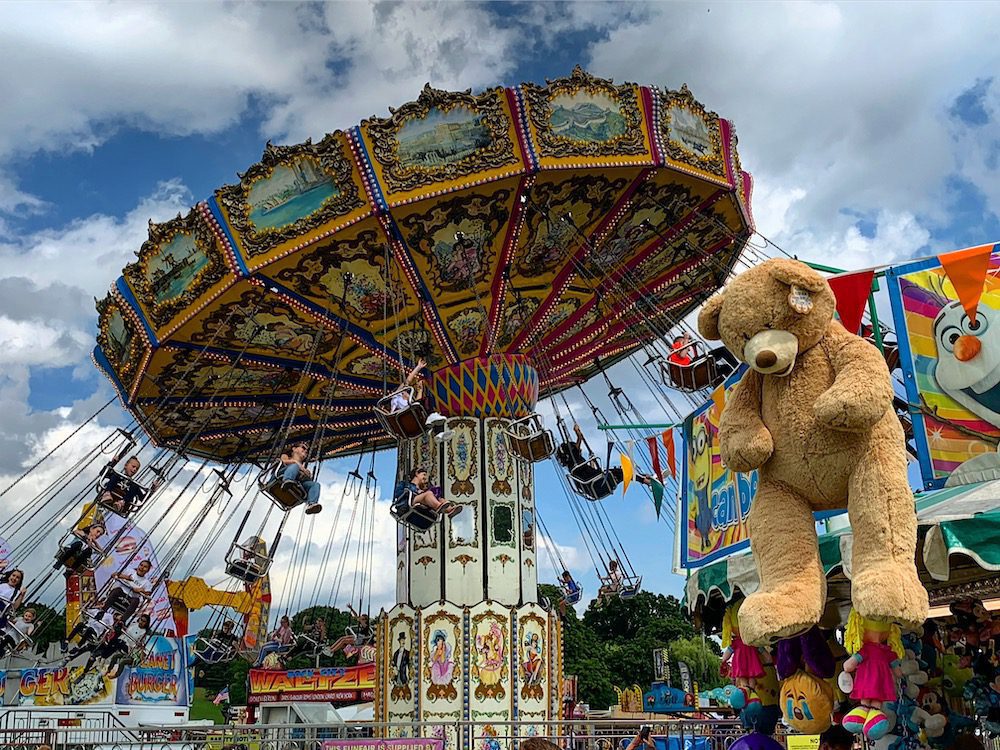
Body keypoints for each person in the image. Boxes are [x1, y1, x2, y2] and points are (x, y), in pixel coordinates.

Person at [557, 424, 654, 499]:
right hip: (599, 483)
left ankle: (646, 478)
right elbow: (578, 443)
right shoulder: (576, 461)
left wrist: (592, 462)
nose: (581, 450)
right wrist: (578, 434)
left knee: (622, 473)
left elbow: (590, 473)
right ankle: (647, 480)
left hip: (594, 488)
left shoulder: (574, 468)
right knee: (622, 471)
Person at [389, 359, 447, 427]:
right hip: (410, 417)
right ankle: (432, 415)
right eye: (406, 392)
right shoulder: (396, 397)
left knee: (423, 402)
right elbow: (408, 380)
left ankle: (439, 431)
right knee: (423, 401)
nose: (408, 393)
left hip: (415, 416)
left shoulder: (409, 402)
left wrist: (418, 367)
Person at [98, 455, 163, 515]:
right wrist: (112, 463)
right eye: (133, 466)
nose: (134, 469)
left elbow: (143, 498)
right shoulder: (116, 476)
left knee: (135, 486)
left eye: (137, 469)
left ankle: (122, 502)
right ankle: (107, 494)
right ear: (126, 465)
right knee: (115, 475)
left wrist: (152, 489)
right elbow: (102, 473)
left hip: (122, 504)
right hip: (111, 495)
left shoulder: (133, 485)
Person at [394, 467, 461, 518]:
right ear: (417, 473)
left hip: (417, 504)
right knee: (428, 494)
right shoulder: (404, 484)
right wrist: (412, 491)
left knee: (440, 499)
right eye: (424, 474)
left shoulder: (422, 488)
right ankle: (438, 507)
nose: (425, 477)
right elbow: (397, 493)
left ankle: (450, 510)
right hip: (407, 504)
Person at [279, 441, 322, 515]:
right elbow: (283, 461)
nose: (305, 451)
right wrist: (297, 463)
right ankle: (287, 480)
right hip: (282, 476)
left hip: (296, 482)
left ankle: (312, 503)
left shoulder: (302, 468)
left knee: (315, 485)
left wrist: (307, 475)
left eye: (307, 451)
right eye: (303, 447)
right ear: (294, 449)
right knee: (294, 466)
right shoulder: (286, 456)